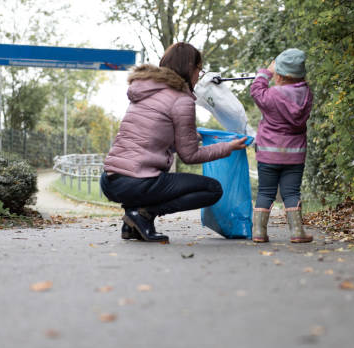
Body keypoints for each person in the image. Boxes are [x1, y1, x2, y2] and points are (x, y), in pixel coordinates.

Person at [100, 42, 247, 243]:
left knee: (156, 180)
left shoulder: (145, 91)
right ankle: (143, 214)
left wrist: (188, 136)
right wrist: (227, 147)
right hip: (137, 181)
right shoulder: (182, 100)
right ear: (190, 68)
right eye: (199, 69)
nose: (199, 75)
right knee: (212, 189)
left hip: (110, 180)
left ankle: (132, 222)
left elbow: (152, 136)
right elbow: (190, 156)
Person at [249, 48, 313, 244]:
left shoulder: (272, 95)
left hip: (268, 154)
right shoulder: (306, 95)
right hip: (295, 154)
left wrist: (265, 72)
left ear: (280, 75)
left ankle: (259, 232)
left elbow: (256, 90)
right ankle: (297, 232)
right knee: (291, 192)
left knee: (265, 192)